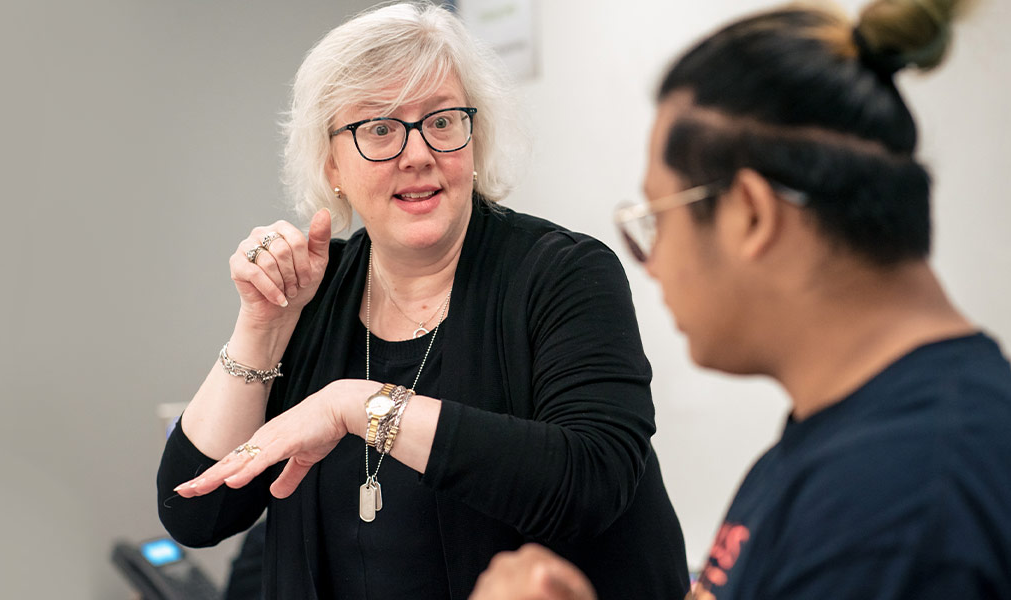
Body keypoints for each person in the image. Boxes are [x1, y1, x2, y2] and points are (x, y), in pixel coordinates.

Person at [471, 1, 1011, 599]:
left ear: (751, 215)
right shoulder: (855, 438)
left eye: (658, 219)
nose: (651, 263)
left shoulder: (900, 502)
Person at [154, 3, 689, 598]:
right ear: (332, 163)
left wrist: (359, 408)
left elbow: (591, 481)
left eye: (441, 121)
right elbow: (196, 514)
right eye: (379, 129)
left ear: (474, 136)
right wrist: (264, 324)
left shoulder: (563, 272)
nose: (416, 153)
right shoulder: (317, 290)